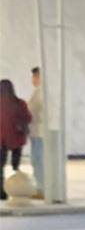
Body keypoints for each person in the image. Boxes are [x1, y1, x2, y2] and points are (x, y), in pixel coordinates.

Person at [0, 79, 32, 202]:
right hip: (17, 138)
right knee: (15, 166)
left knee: (0, 166)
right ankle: (17, 189)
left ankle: (1, 192)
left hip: (1, 140)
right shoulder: (19, 103)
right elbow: (28, 117)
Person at [27, 67, 44, 200]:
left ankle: (41, 188)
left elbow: (33, 112)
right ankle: (39, 187)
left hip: (39, 132)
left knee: (38, 161)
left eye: (35, 76)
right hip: (35, 132)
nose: (33, 79)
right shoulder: (38, 92)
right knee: (36, 160)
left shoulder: (41, 93)